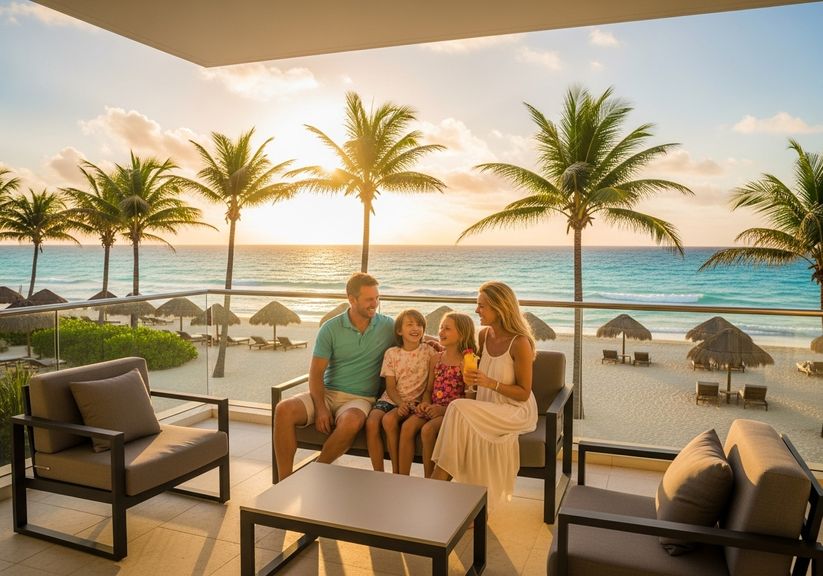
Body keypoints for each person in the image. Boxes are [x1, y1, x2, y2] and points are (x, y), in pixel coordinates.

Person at [273, 272, 395, 481]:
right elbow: (316, 373)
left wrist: (434, 342)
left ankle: (316, 472)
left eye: (377, 298)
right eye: (369, 299)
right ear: (352, 299)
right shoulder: (330, 328)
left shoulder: (387, 326)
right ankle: (284, 482)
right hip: (327, 393)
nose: (374, 303)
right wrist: (321, 408)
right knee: (283, 409)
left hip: (360, 399)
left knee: (351, 421)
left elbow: (415, 334)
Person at [430, 281, 538, 513]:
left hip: (515, 410)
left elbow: (524, 393)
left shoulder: (520, 343)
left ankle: (435, 489)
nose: (477, 310)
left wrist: (490, 382)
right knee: (463, 419)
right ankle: (473, 507)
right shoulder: (484, 335)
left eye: (482, 306)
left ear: (500, 307)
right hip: (487, 405)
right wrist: (437, 346)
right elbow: (466, 358)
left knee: (458, 408)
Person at [398, 312, 476, 477]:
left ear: (462, 334)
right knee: (407, 427)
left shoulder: (468, 362)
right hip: (432, 408)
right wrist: (425, 404)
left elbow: (470, 400)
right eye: (441, 327)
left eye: (447, 329)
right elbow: (428, 390)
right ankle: (401, 477)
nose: (441, 332)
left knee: (427, 430)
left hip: (452, 412)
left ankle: (430, 478)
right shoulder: (436, 359)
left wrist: (442, 410)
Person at [366, 309, 437, 472]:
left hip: (416, 401)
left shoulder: (429, 352)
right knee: (372, 421)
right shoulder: (392, 353)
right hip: (392, 398)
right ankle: (381, 472)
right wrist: (400, 403)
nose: (415, 328)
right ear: (399, 330)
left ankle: (397, 472)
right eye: (410, 324)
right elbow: (390, 387)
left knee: (389, 420)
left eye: (419, 325)